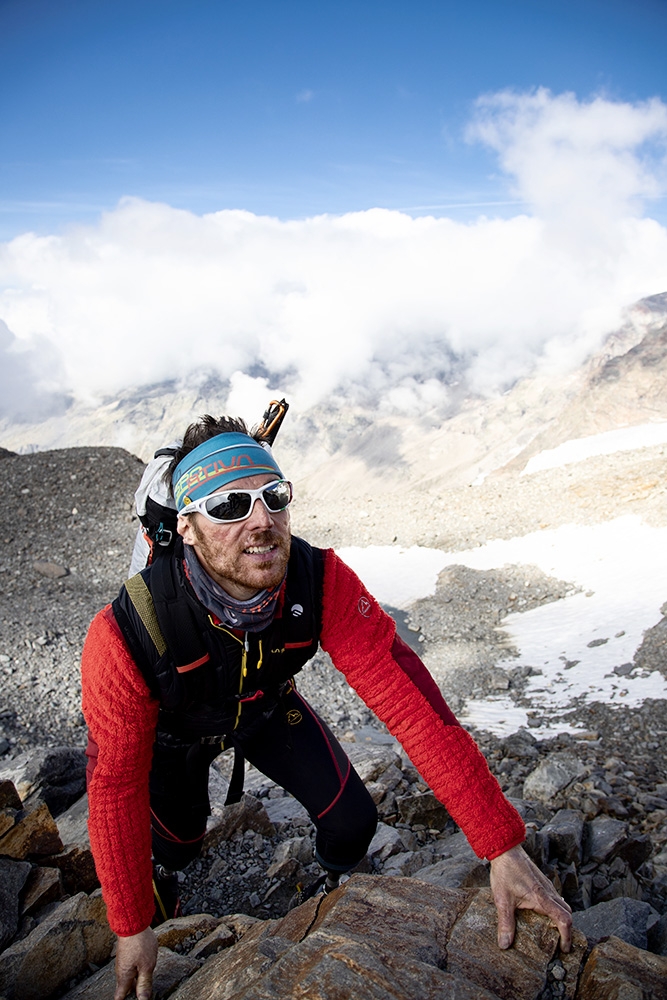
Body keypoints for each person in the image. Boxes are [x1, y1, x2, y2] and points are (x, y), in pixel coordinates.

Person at [81, 415, 572, 1000]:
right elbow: (115, 784)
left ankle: (331, 889)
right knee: (178, 844)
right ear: (185, 525)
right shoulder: (127, 632)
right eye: (229, 505)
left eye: (274, 496)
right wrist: (131, 925)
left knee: (353, 823)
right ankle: (168, 890)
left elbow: (412, 706)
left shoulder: (319, 581)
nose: (261, 520)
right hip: (173, 737)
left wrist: (501, 845)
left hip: (263, 709)